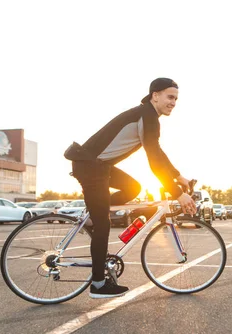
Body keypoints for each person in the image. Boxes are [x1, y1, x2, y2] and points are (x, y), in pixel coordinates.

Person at [67, 78, 197, 298]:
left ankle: (94, 212)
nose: (173, 102)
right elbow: (154, 160)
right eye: (170, 97)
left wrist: (178, 176)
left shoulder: (148, 115)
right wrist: (178, 193)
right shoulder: (147, 116)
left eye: (176, 98)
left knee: (133, 187)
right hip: (91, 166)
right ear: (155, 95)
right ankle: (98, 285)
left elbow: (158, 154)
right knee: (103, 224)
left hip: (99, 166)